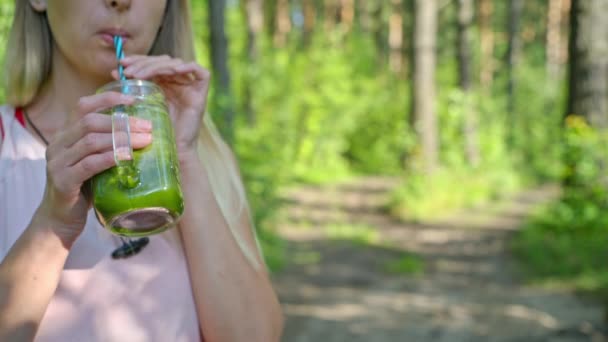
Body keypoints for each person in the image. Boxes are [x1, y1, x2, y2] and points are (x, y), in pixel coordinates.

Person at [0, 0, 283, 341]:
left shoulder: (206, 155)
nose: (121, 1)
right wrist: (52, 225)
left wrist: (184, 159)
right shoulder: (7, 147)